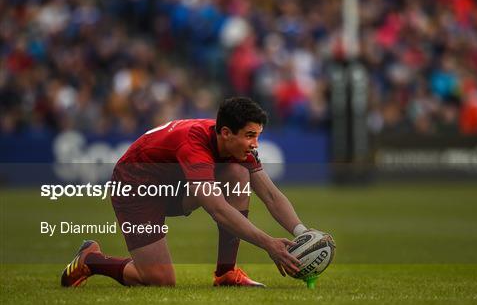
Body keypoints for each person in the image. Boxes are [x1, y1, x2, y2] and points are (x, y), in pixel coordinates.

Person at [61, 97, 311, 287]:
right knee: (160, 279)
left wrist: (305, 233)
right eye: (250, 136)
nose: (255, 144)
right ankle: (91, 260)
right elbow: (218, 209)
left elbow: (270, 195)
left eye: (257, 136)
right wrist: (269, 244)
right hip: (135, 186)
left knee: (237, 173)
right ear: (226, 133)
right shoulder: (193, 145)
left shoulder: (236, 146)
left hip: (173, 185)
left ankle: (226, 273)